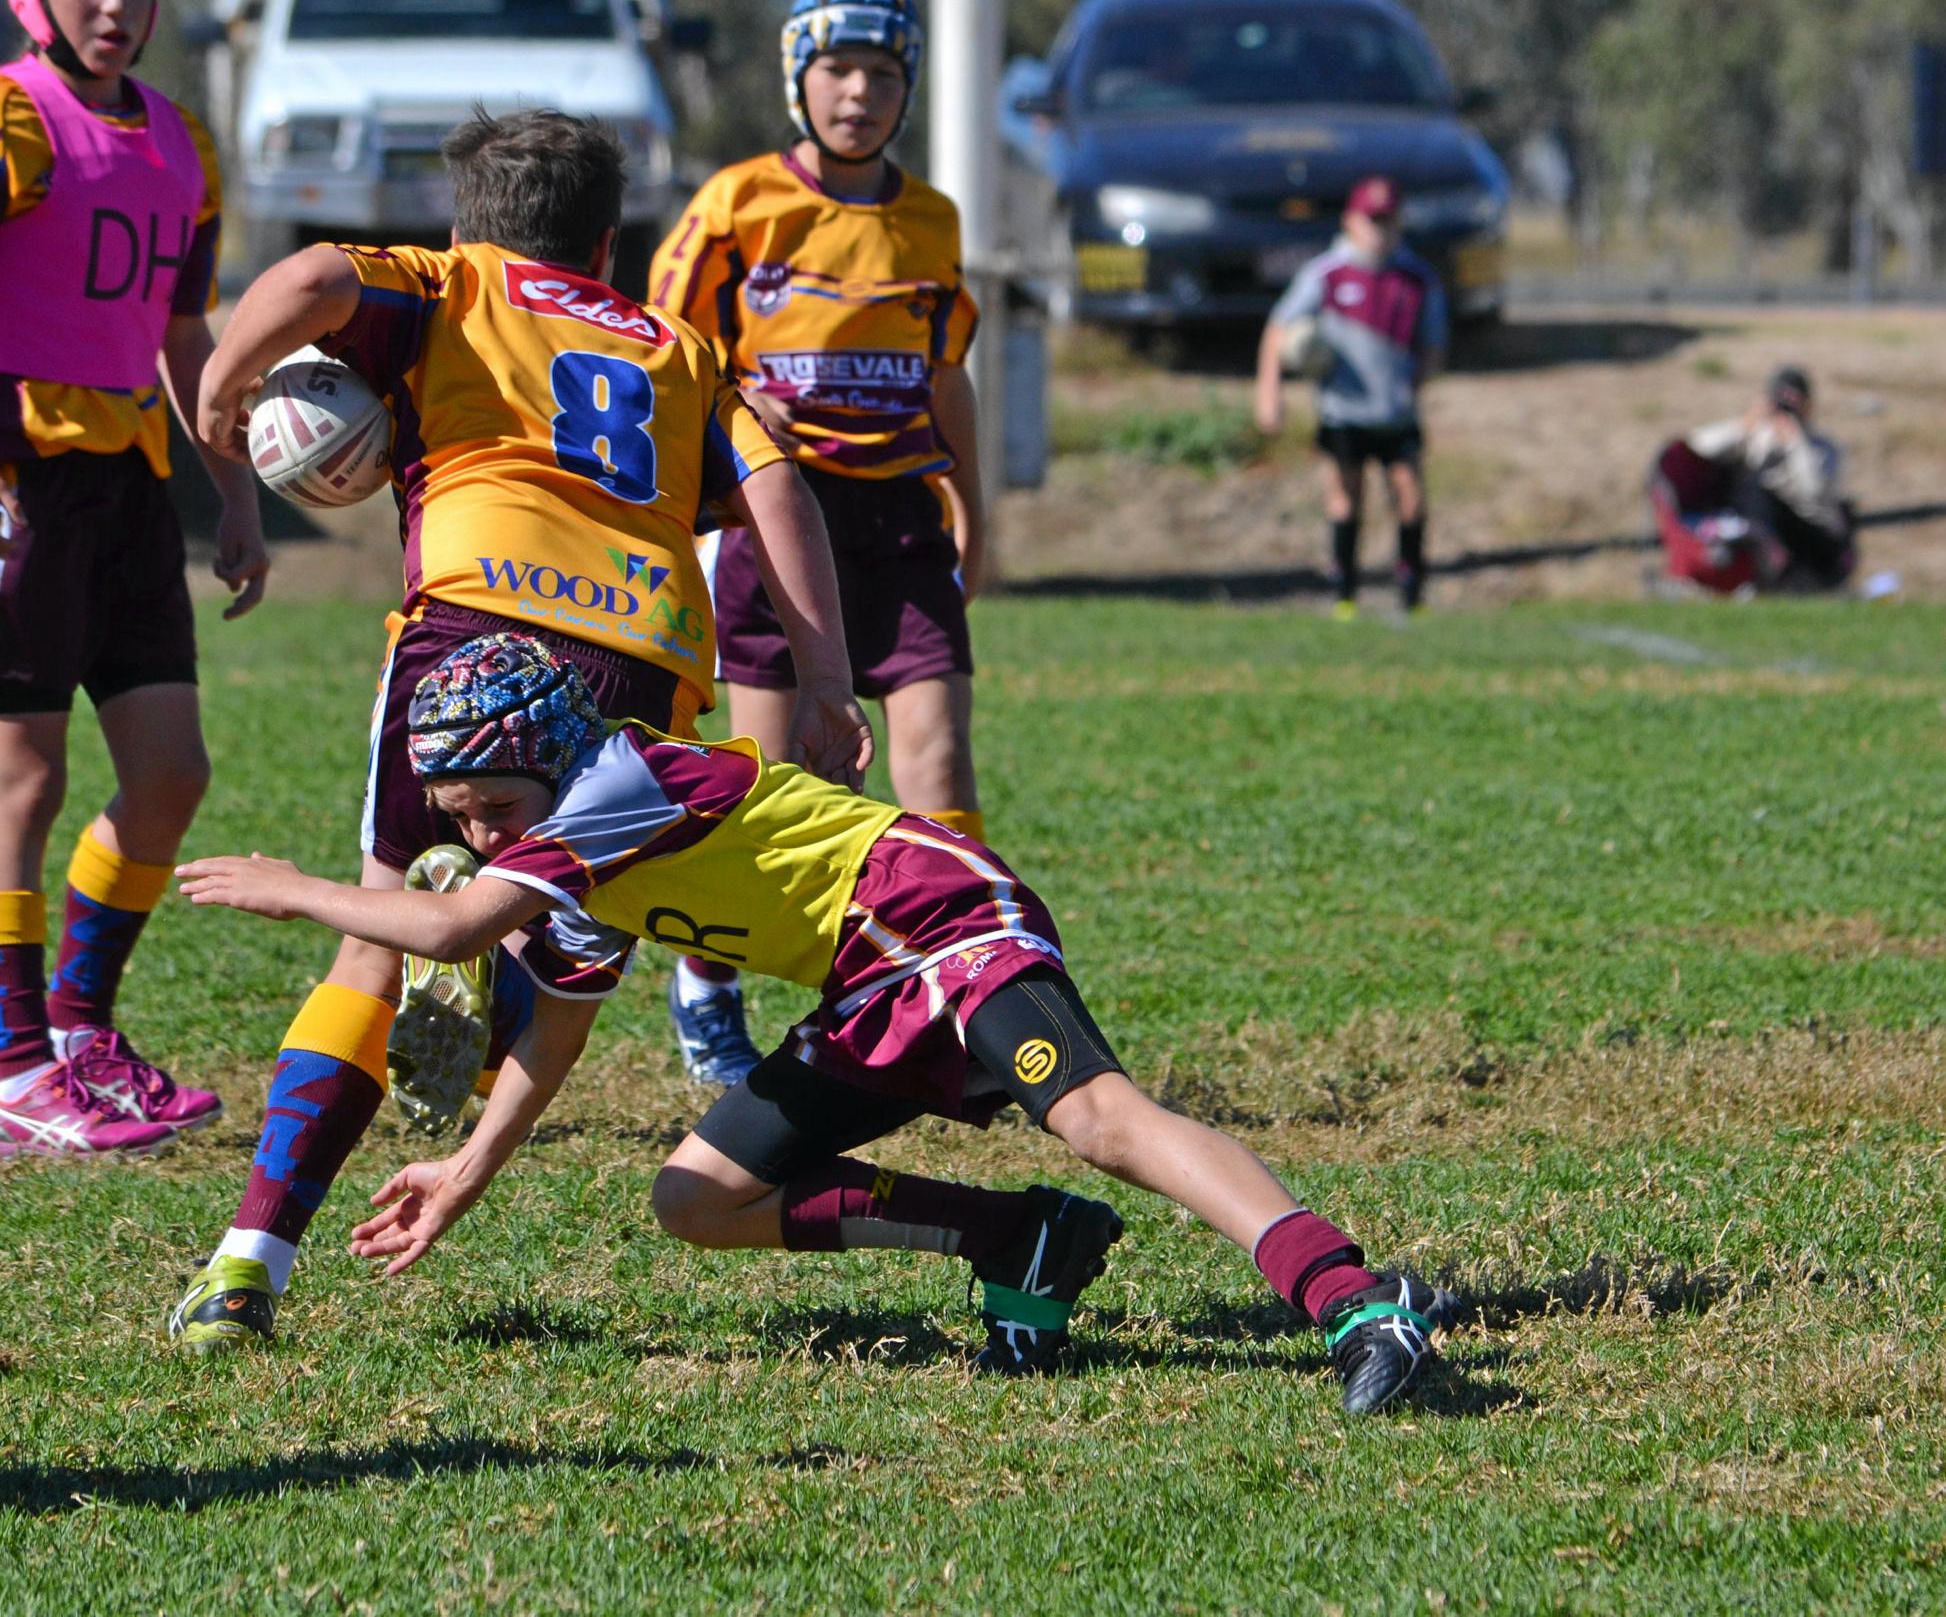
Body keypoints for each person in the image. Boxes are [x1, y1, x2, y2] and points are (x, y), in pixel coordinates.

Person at [176, 633, 1452, 1414]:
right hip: (867, 980)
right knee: (697, 1198)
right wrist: (462, 1171)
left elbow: (453, 933)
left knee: (1101, 1117)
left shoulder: (619, 781)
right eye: (453, 816)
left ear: (550, 755)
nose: (474, 837)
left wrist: (298, 888)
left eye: (490, 803)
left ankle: (1355, 1298)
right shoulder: (573, 851)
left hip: (939, 915)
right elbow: (552, 1032)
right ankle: (1023, 1239)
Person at [163, 108, 873, 1347]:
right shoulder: (678, 346)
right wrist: (823, 677)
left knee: (377, 931)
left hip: (474, 622)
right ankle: (491, 987)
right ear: (606, 240)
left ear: (464, 221)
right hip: (639, 658)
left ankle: (249, 1260)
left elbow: (315, 276)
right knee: (570, 925)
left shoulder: (452, 282)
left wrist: (223, 389)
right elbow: (775, 484)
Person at [0, 0, 268, 1159]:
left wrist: (236, 487)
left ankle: (78, 1031)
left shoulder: (181, 141)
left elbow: (187, 332)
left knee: (171, 774)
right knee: (22, 778)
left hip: (133, 485)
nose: (115, 3)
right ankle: (10, 1073)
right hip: (13, 488)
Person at [648, 0, 986, 1086]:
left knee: (937, 753)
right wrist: (738, 406)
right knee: (782, 784)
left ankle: (962, 983)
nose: (859, 92)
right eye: (838, 68)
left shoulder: (929, 219)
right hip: (774, 523)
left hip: (899, 526)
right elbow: (660, 356)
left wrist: (976, 508)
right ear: (800, 78)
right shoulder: (738, 204)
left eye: (884, 72)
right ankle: (711, 984)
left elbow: (948, 377)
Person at [1254, 175, 1447, 619]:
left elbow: (1434, 348)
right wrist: (1270, 393)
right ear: (1351, 221)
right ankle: (1345, 594)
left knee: (1410, 494)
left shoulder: (1416, 279)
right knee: (1345, 496)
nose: (1380, 230)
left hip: (1395, 412)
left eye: (1388, 220)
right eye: (1371, 220)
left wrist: (1417, 380)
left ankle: (1411, 593)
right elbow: (1278, 328)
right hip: (1344, 411)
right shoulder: (1326, 273)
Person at [1677, 366, 1855, 593]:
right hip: (1759, 526)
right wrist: (1746, 424)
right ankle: (1766, 563)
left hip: (1810, 531)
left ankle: (1780, 565)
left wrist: (1794, 443)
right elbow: (1697, 446)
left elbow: (1813, 493)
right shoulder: (1756, 436)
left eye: (1794, 400)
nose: (1786, 407)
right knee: (1754, 486)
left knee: (1763, 493)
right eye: (1779, 398)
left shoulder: (1824, 448)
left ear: (1809, 406)